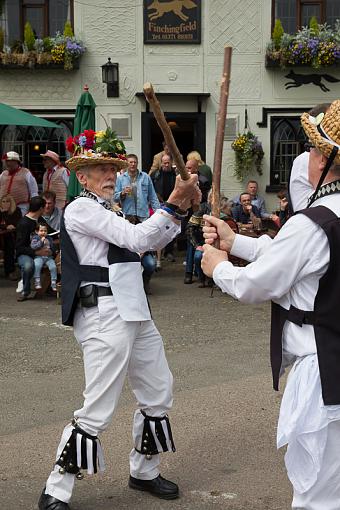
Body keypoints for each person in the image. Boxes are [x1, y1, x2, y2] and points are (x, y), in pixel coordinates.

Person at [38, 133, 200, 510]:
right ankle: (56, 488)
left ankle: (144, 471)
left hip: (134, 308)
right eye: (101, 169)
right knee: (97, 407)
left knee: (158, 391)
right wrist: (174, 202)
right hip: (103, 313)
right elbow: (136, 237)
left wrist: (182, 209)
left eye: (112, 168)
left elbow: (153, 240)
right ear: (83, 178)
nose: (110, 174)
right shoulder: (82, 210)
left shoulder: (110, 210)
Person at [201, 99, 340, 510]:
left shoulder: (313, 222)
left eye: (314, 149)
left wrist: (218, 267)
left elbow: (256, 286)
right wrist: (235, 240)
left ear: (325, 159)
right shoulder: (317, 225)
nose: (308, 158)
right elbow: (297, 263)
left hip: (324, 370)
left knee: (317, 496)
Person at [15, 196, 48, 301]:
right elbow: (19, 248)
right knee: (28, 266)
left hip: (40, 250)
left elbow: (51, 232)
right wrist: (36, 252)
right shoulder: (23, 223)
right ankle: (25, 291)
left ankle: (50, 288)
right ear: (40, 209)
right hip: (25, 254)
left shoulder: (40, 219)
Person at [114, 154, 160, 222]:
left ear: (137, 163)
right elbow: (115, 198)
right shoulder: (120, 178)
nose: (133, 164)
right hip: (128, 215)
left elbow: (152, 196)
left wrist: (158, 214)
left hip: (143, 215)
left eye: (135, 162)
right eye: (131, 162)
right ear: (126, 164)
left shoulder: (145, 177)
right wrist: (122, 193)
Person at [151, 154, 177, 262]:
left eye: (168, 162)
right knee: (158, 228)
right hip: (159, 204)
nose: (166, 165)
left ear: (171, 162)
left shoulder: (176, 175)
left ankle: (169, 252)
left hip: (172, 205)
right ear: (161, 163)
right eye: (164, 162)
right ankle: (157, 254)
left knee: (171, 229)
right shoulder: (155, 174)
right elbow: (150, 189)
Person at [0, 151, 38, 215]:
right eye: (6, 161)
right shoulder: (3, 174)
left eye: (9, 161)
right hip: (4, 207)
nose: (7, 163)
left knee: (19, 224)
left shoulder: (26, 172)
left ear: (16, 162)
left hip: (21, 206)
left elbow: (34, 191)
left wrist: (34, 206)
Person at [0, 193, 22, 279]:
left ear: (11, 202)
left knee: (9, 244)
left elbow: (17, 223)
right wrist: (5, 226)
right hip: (2, 235)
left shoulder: (17, 211)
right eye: (3, 201)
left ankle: (10, 271)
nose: (5, 203)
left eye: (8, 201)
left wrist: (5, 214)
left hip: (13, 235)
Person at [30, 223, 57, 291]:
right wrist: (41, 241)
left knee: (53, 267)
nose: (43, 232)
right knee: (37, 265)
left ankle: (53, 282)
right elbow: (33, 247)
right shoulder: (35, 238)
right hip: (39, 257)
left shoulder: (49, 238)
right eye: (41, 231)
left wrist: (51, 251)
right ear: (37, 231)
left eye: (45, 231)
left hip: (48, 257)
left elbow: (53, 247)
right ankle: (37, 281)